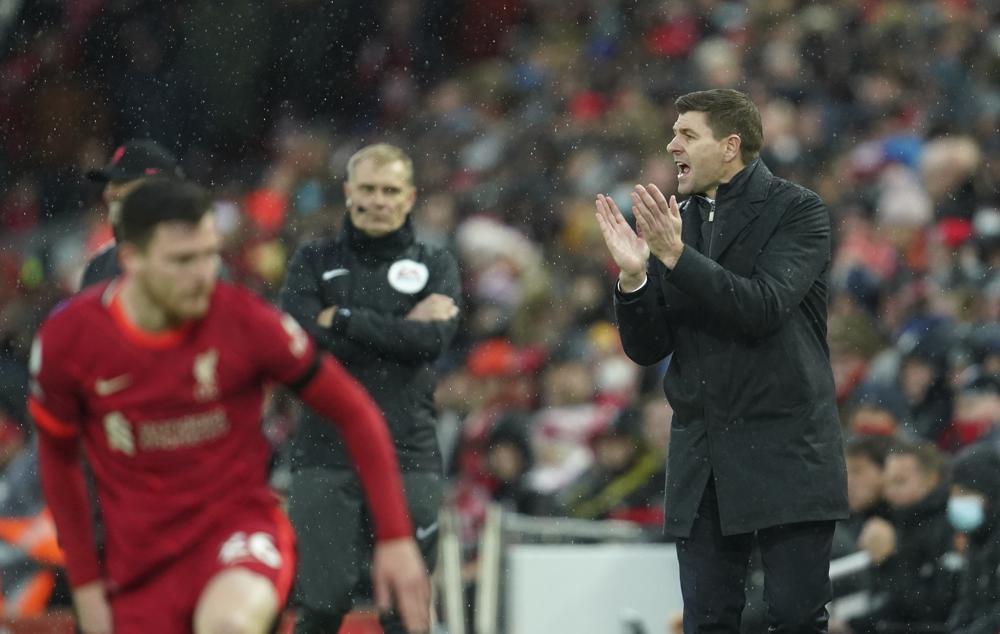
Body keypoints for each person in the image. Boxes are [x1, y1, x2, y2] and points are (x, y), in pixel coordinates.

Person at [28, 178, 430, 634]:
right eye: (182, 260)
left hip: (236, 537)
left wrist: (396, 537)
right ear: (131, 260)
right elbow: (58, 462)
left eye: (209, 254)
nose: (203, 273)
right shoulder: (69, 341)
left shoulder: (245, 322)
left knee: (228, 626)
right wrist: (86, 590)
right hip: (139, 567)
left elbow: (354, 411)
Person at [595, 88, 848, 633]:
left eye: (687, 134)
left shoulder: (796, 210)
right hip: (703, 451)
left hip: (787, 446)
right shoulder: (672, 222)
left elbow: (761, 306)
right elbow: (647, 349)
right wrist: (636, 278)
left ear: (730, 145)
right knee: (707, 621)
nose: (671, 144)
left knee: (795, 617)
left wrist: (676, 256)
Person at [279, 143, 460, 634]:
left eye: (390, 190)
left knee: (407, 612)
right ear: (348, 193)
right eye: (369, 189)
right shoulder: (313, 259)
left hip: (409, 453)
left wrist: (339, 320)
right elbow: (295, 341)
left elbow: (434, 340)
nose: (379, 200)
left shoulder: (436, 262)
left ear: (410, 198)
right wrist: (400, 330)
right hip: (325, 454)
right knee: (321, 606)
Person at [851, 441, 958, 633]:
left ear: (931, 479)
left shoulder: (949, 526)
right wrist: (853, 625)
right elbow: (891, 602)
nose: (889, 492)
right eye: (887, 483)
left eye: (899, 481)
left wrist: (888, 559)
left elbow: (935, 608)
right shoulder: (899, 521)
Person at [80, 139, 185, 289]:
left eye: (121, 181)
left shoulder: (196, 262)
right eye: (108, 183)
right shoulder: (98, 267)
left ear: (160, 189)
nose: (108, 192)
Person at [946, 443, 1000, 634]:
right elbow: (968, 601)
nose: (956, 500)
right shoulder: (978, 536)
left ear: (989, 496)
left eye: (965, 492)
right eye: (953, 493)